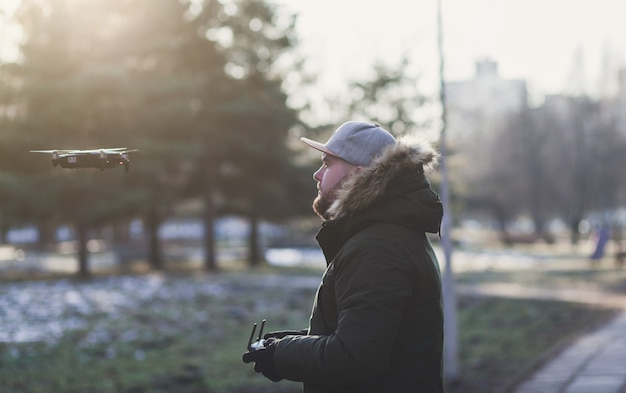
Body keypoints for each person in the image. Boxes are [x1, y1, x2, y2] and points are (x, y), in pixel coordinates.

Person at [243, 121, 445, 392]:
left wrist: (281, 355)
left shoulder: (378, 249)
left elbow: (353, 358)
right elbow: (369, 338)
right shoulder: (384, 237)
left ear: (357, 175)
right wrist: (286, 345)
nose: (317, 174)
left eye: (327, 163)